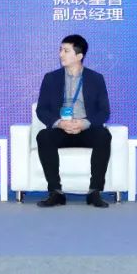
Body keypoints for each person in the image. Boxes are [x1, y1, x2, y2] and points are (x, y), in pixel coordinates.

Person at [34, 35, 112, 208]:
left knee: (103, 135)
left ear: (79, 56)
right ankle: (56, 192)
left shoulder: (96, 78)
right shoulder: (51, 78)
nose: (61, 54)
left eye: (66, 50)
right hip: (61, 129)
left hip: (86, 129)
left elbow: (104, 112)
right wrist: (59, 123)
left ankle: (94, 192)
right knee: (43, 136)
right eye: (60, 50)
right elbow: (41, 109)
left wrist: (84, 123)